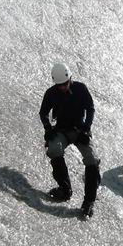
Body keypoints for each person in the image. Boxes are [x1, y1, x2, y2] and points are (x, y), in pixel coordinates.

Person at [39, 62, 101, 218]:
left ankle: (89, 201)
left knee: (92, 159)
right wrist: (48, 129)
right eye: (59, 85)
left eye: (65, 84)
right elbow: (43, 113)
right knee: (54, 149)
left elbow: (90, 109)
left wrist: (86, 129)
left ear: (70, 79)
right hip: (61, 130)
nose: (63, 87)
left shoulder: (80, 89)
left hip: (80, 131)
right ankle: (65, 189)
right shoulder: (51, 93)